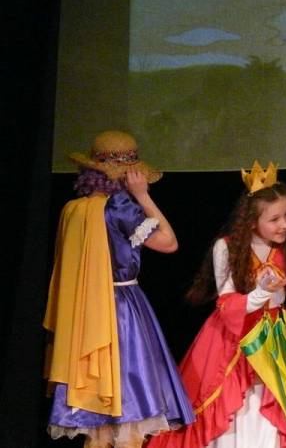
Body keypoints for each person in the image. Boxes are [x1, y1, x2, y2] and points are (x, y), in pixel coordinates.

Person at [43, 130, 195, 448]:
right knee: (128, 408)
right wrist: (143, 196)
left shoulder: (74, 209)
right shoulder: (120, 207)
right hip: (120, 311)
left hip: (84, 313)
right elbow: (169, 242)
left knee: (97, 416)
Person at [145, 161, 286, 448]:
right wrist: (260, 292)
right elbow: (228, 304)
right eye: (274, 219)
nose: (285, 224)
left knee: (271, 409)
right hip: (234, 339)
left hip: (276, 340)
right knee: (231, 407)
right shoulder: (227, 247)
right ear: (252, 221)